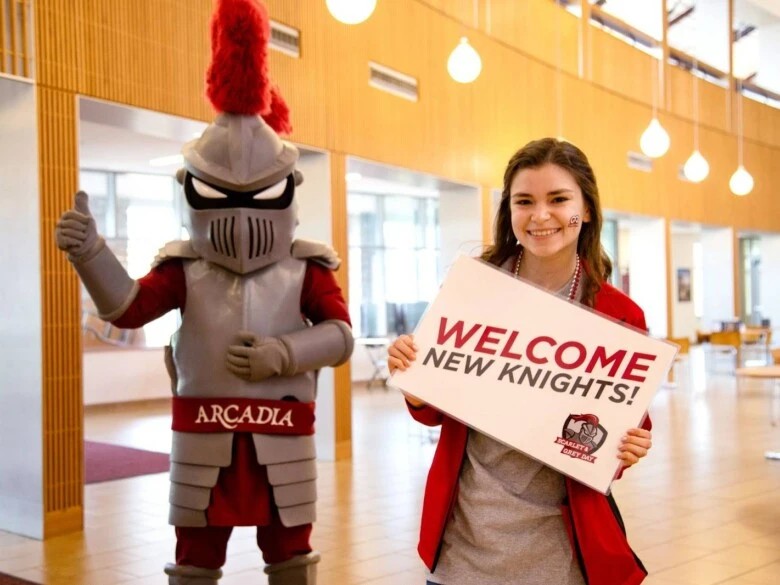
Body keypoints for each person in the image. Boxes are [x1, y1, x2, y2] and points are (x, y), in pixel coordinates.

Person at [54, 1, 353, 583]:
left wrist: (284, 353)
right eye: (221, 196)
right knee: (195, 552)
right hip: (204, 433)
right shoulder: (184, 267)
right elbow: (129, 308)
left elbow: (340, 336)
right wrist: (91, 253)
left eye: (259, 196)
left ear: (286, 191)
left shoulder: (306, 267)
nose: (241, 214)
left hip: (281, 432)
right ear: (193, 190)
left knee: (291, 549)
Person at [388, 138, 653, 585]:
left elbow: (624, 426)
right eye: (524, 201)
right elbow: (433, 409)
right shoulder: (472, 289)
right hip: (464, 542)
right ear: (509, 212)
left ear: (585, 210)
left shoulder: (619, 313)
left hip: (564, 550)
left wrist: (631, 446)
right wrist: (415, 383)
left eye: (559, 199)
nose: (540, 215)